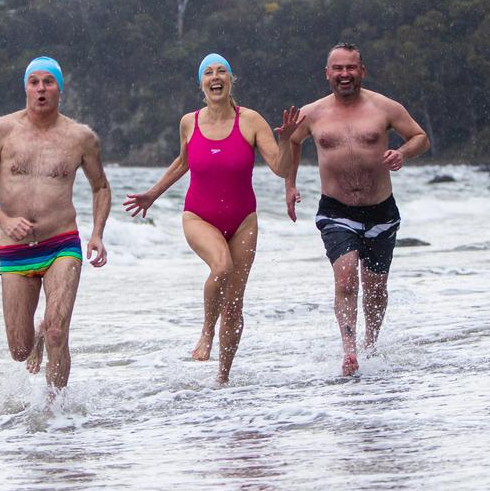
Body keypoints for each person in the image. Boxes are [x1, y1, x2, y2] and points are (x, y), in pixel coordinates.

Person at [123, 53, 302, 385]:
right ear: (201, 83)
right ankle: (206, 331)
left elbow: (280, 167)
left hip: (243, 220)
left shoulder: (250, 121)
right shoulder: (188, 122)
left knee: (234, 305)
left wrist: (285, 139)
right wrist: (152, 193)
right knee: (221, 267)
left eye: (222, 71)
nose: (215, 77)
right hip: (198, 216)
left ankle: (223, 379)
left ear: (231, 80)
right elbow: (182, 163)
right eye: (209, 72)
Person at [0, 56, 111, 390]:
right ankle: (38, 334)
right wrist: (3, 219)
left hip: (62, 243)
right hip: (15, 249)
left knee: (59, 331)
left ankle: (57, 412)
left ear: (60, 88)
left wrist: (97, 234)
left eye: (49, 82)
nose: (41, 89)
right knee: (19, 349)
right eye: (34, 82)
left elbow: (101, 186)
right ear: (26, 88)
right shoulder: (0, 132)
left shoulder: (81, 137)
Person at [285, 43, 429, 376]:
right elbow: (293, 141)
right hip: (336, 211)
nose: (344, 74)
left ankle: (371, 343)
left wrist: (403, 154)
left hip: (381, 211)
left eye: (351, 68)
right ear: (327, 74)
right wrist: (290, 186)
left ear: (362, 71)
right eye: (338, 69)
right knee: (347, 279)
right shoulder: (312, 113)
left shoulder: (384, 107)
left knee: (375, 288)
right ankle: (349, 353)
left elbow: (420, 136)